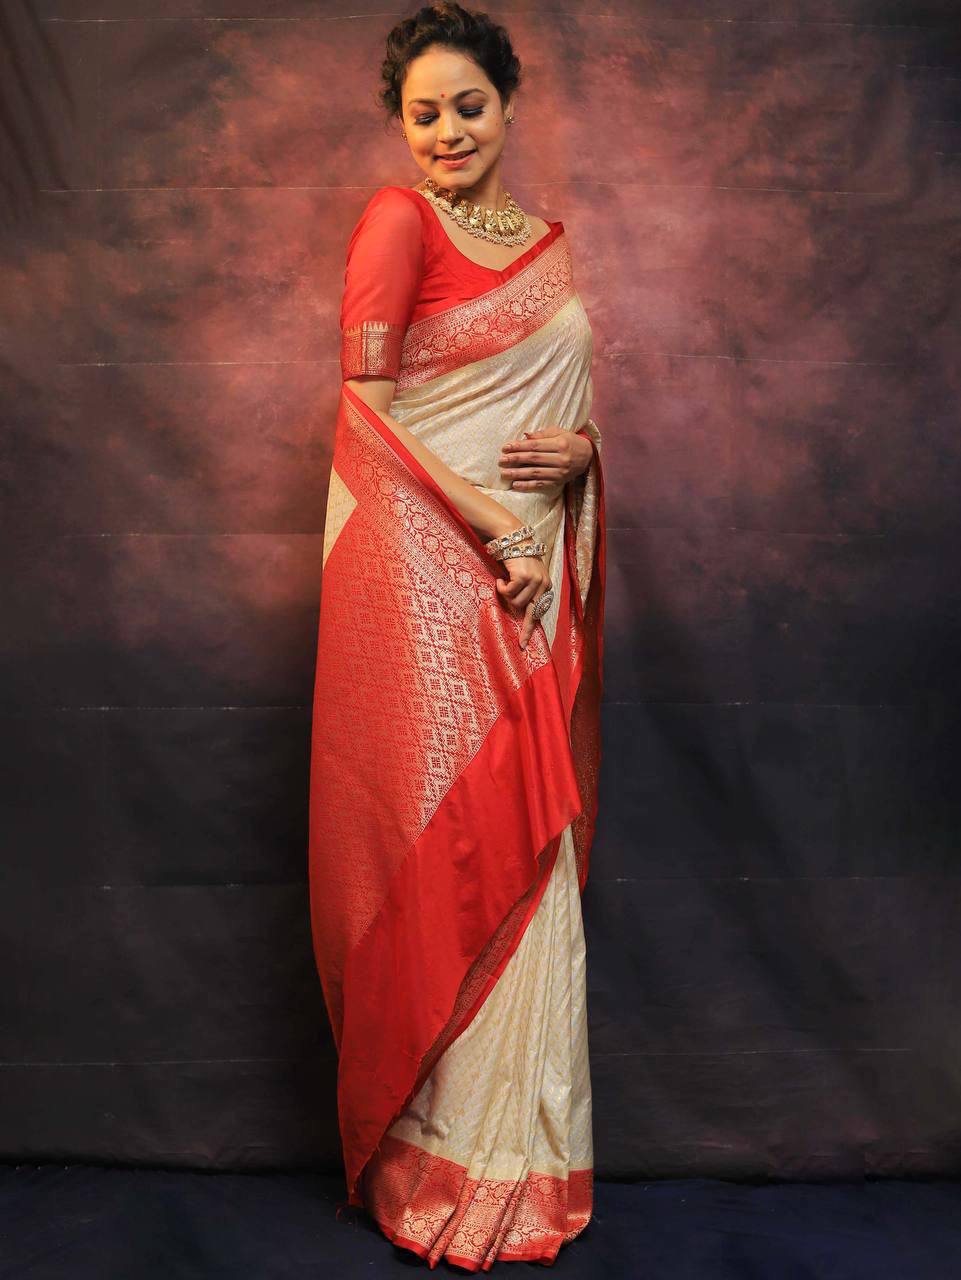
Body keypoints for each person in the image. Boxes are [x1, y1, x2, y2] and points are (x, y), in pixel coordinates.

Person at [307, 2, 605, 1269]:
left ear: (508, 103)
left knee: (528, 848)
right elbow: (365, 414)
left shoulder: (544, 245)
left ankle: (520, 1159)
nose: (445, 131)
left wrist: (582, 456)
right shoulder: (396, 222)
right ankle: (438, 1159)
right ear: (400, 121)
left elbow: (566, 406)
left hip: (535, 576)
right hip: (436, 574)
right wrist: (495, 525)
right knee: (460, 837)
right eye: (422, 112)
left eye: (467, 106)